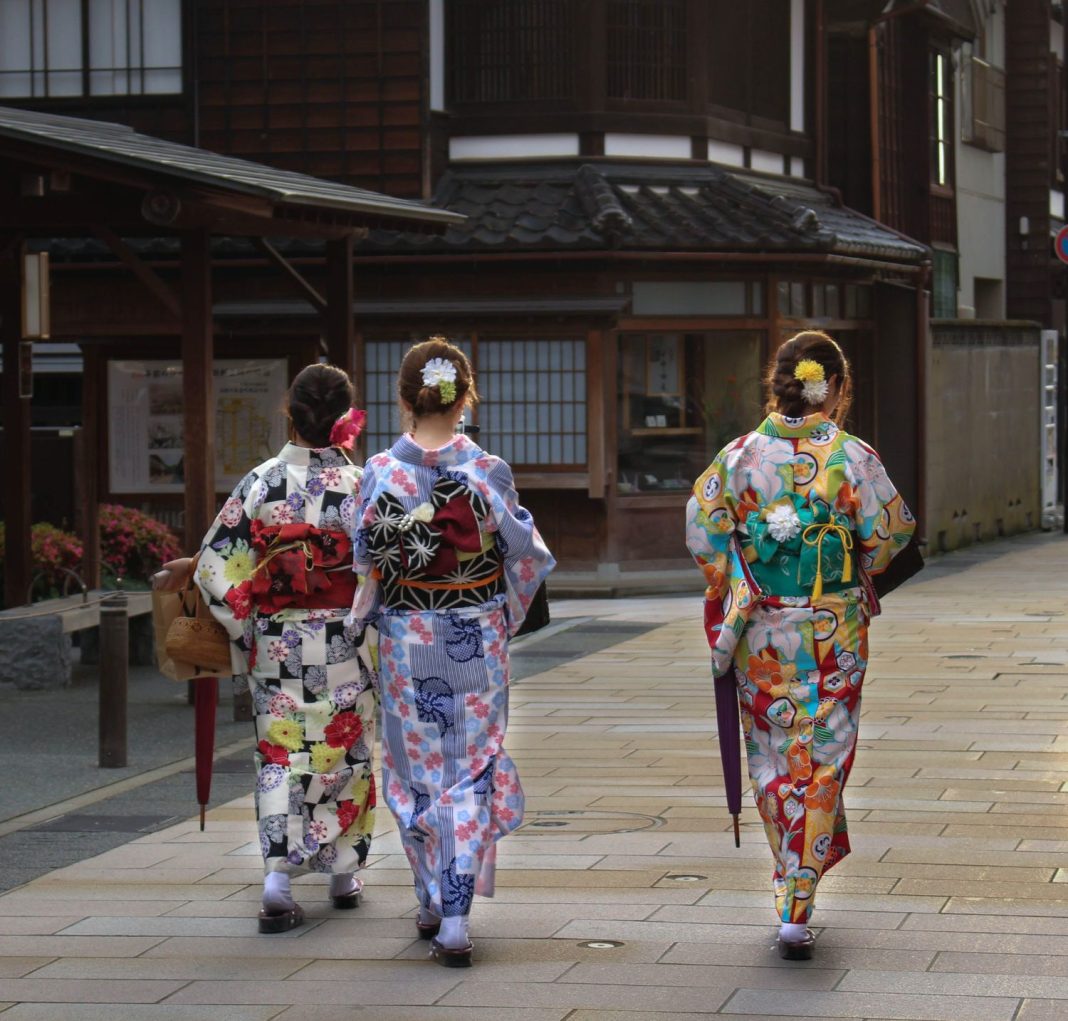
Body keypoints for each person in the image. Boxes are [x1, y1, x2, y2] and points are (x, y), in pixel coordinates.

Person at [685, 331, 916, 960]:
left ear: (777, 384)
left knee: (772, 752)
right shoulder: (853, 456)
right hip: (834, 629)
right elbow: (892, 533)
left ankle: (788, 879)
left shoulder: (736, 458)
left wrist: (742, 574)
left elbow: (704, 535)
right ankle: (798, 898)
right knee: (824, 755)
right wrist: (847, 565)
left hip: (762, 631)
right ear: (835, 388)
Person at [348, 337, 554, 967]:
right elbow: (526, 558)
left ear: (404, 398)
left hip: (409, 637)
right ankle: (458, 915)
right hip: (477, 637)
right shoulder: (486, 470)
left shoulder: (382, 471)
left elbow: (367, 565)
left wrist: (372, 618)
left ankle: (432, 898)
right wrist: (501, 618)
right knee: (471, 765)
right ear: (466, 397)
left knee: (415, 771)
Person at [158, 364, 377, 933]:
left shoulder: (261, 482)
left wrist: (247, 630)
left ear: (291, 412)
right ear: (347, 420)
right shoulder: (364, 486)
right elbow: (383, 571)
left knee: (282, 756)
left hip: (278, 641)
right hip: (345, 640)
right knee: (345, 753)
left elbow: (215, 566)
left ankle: (277, 879)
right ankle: (341, 872)